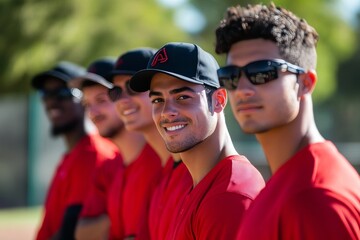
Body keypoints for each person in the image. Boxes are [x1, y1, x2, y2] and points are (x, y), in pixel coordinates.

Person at [214, 3, 360, 239]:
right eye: (230, 76)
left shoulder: (315, 198)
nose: (242, 90)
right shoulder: (285, 184)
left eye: (262, 71)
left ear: (305, 83)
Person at [129, 42, 265, 240]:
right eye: (158, 100)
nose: (167, 112)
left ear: (218, 100)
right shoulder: (199, 185)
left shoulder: (229, 196)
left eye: (183, 97)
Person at [32, 61, 121, 240]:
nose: (51, 102)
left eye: (62, 93)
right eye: (46, 94)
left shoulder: (92, 154)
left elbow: (69, 233)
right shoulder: (71, 155)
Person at [67, 57, 145, 240]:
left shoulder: (160, 159)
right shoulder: (108, 167)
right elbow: (81, 233)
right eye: (87, 104)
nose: (92, 113)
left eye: (101, 100)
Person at [105, 47, 167, 239]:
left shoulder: (182, 163)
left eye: (133, 87)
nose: (123, 100)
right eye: (116, 92)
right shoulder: (160, 163)